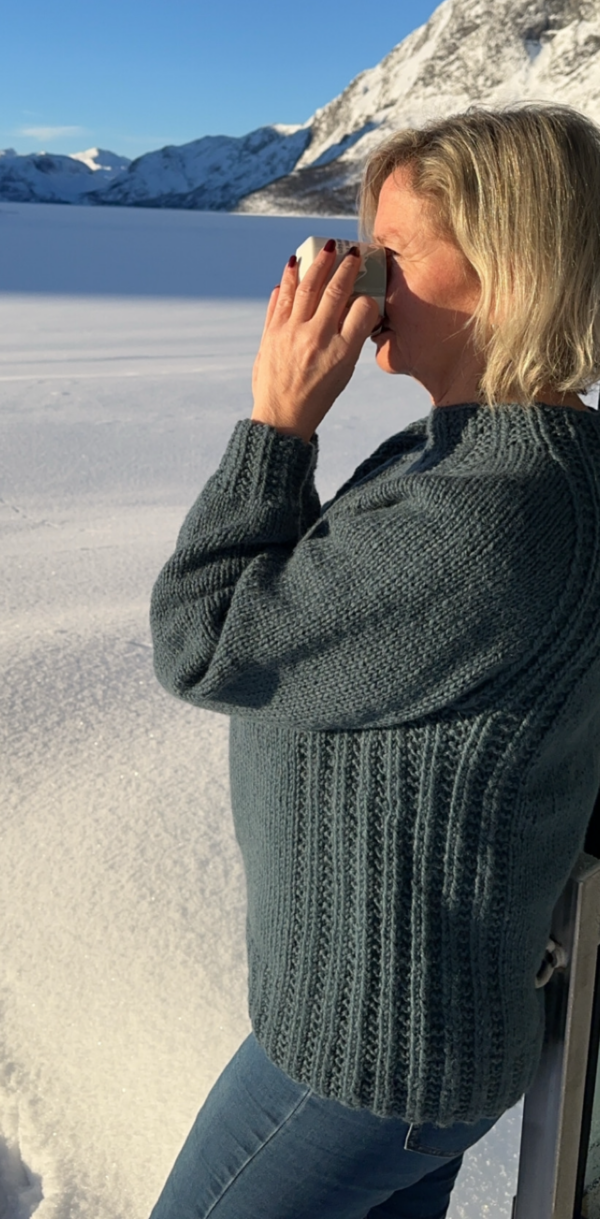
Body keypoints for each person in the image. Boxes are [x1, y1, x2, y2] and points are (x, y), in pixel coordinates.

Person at [147, 103, 600, 1219]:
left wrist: (277, 424)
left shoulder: (493, 509)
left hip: (365, 1049)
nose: (357, 281)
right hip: (413, 1032)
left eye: (393, 256)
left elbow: (206, 643)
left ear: (506, 272)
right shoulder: (491, 457)